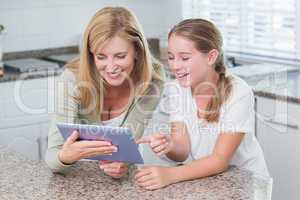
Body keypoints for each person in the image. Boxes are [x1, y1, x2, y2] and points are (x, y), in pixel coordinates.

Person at [135, 19, 269, 190]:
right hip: (205, 179)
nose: (175, 65)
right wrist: (169, 145)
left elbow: (219, 159)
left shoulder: (238, 91)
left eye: (184, 58)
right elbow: (182, 149)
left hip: (245, 182)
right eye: (171, 57)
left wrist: (170, 174)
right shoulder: (177, 88)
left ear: (211, 56)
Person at [45, 7, 165, 179]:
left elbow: (126, 147)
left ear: (137, 51)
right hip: (79, 177)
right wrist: (65, 157)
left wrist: (122, 161)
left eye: (120, 56)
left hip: (127, 179)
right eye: (101, 57)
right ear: (91, 54)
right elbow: (52, 157)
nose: (110, 67)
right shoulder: (72, 79)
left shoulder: (153, 78)